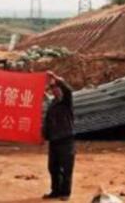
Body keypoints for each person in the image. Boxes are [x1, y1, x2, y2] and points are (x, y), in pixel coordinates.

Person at [42, 70, 75, 201]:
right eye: (53, 89)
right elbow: (47, 120)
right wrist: (44, 134)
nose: (56, 91)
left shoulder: (66, 101)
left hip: (66, 139)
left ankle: (65, 193)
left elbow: (68, 90)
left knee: (66, 167)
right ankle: (55, 191)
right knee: (53, 167)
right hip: (54, 139)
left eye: (57, 88)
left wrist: (56, 77)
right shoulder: (53, 103)